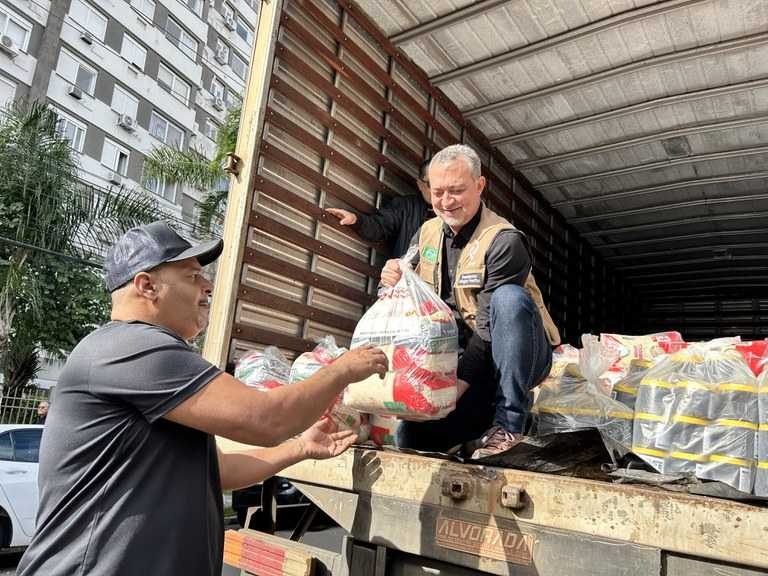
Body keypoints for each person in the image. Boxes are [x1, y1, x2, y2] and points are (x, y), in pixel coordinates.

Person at [17, 221, 387, 576]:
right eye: (193, 276)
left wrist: (300, 448)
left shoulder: (140, 356)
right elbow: (266, 419)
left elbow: (219, 471)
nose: (207, 286)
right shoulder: (132, 347)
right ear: (147, 286)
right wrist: (342, 369)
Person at [380, 144, 561, 459]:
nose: (446, 202)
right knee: (412, 437)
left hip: (516, 356)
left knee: (509, 299)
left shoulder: (504, 240)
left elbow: (488, 326)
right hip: (462, 362)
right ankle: (476, 432)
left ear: (479, 185)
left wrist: (455, 388)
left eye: (456, 191)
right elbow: (408, 298)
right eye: (438, 192)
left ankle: (511, 424)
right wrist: (394, 276)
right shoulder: (426, 233)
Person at [326, 159, 434, 258]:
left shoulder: (445, 215)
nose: (436, 189)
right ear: (420, 184)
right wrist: (356, 220)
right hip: (406, 272)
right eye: (431, 183)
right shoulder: (406, 206)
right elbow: (379, 226)